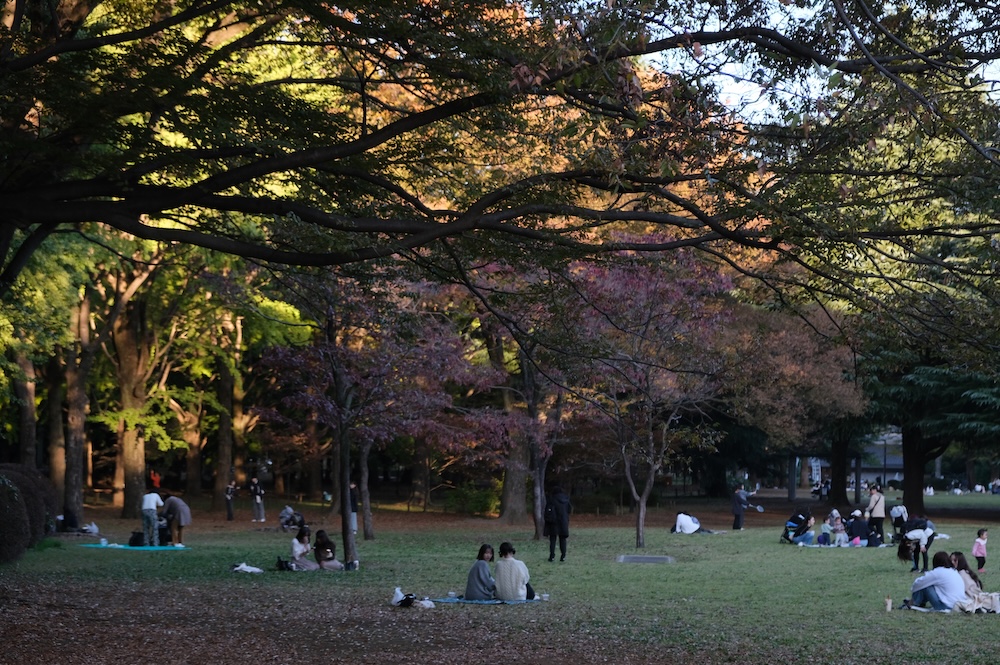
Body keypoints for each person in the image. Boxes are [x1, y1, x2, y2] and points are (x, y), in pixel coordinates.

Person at [901, 551, 965, 611]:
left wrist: (913, 591)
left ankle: (914, 602)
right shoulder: (953, 571)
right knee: (929, 584)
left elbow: (918, 583)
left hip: (945, 606)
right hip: (958, 605)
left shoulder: (937, 572)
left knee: (926, 585)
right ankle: (917, 601)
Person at [544, 485, 572, 561]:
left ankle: (552, 556)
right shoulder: (566, 499)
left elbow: (547, 510)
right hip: (563, 521)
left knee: (553, 539)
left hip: (553, 521)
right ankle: (563, 556)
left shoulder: (551, 499)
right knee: (563, 539)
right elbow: (569, 509)